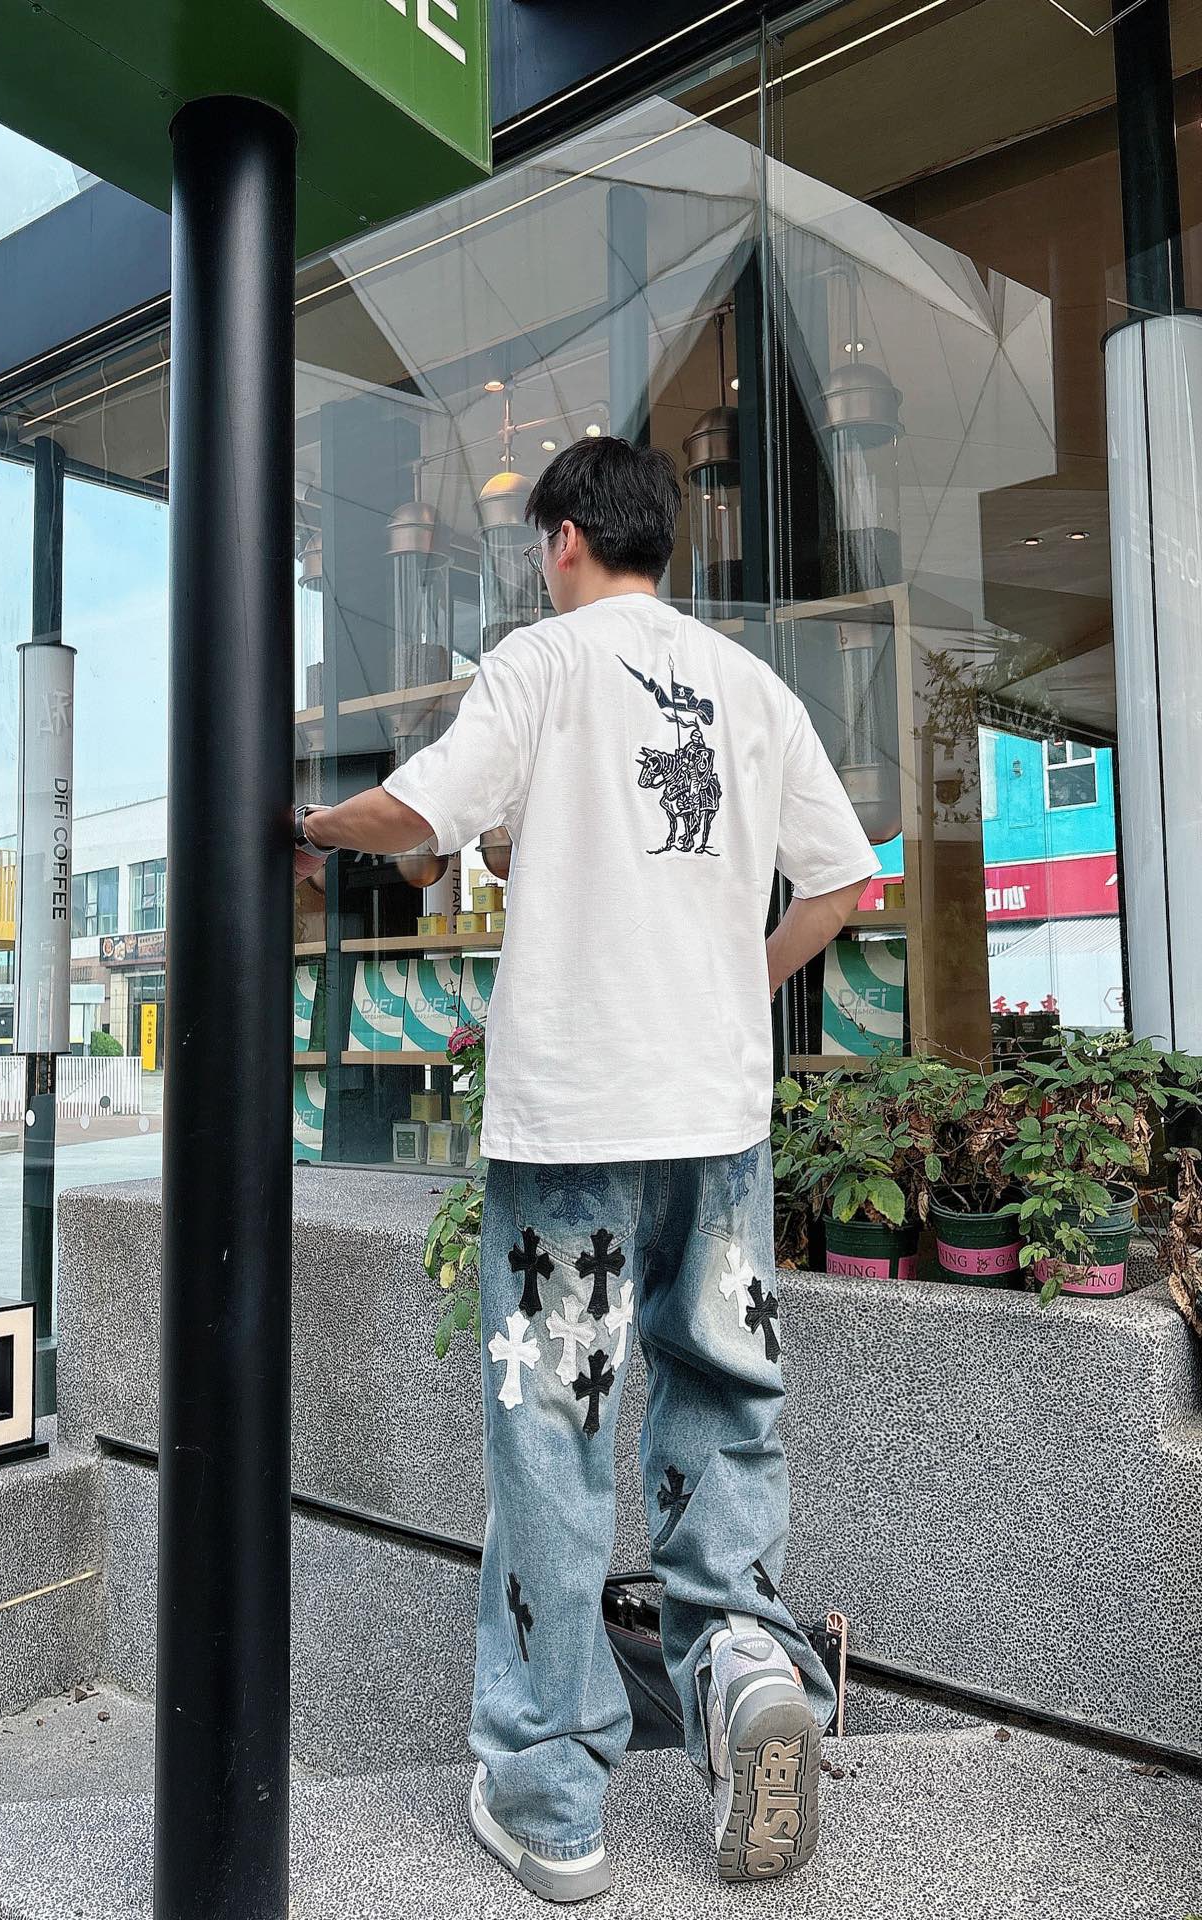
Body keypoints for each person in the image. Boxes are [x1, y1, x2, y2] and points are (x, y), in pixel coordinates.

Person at [293, 436, 880, 1901]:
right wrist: (735, 985)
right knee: (724, 1399)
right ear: (659, 542)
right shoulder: (749, 686)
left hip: (572, 1129)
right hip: (718, 1123)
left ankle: (552, 1796)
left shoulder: (541, 665)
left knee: (554, 1436)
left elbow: (421, 814)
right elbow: (848, 883)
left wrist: (303, 826)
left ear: (560, 540)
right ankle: (746, 1661)